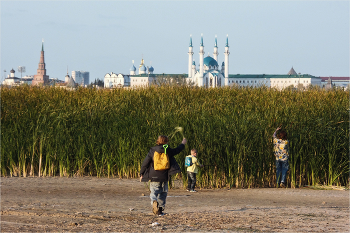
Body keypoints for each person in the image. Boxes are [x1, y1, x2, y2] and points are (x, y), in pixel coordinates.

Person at [139, 135, 187, 216]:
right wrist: (183, 143)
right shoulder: (167, 150)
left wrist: (141, 173)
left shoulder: (152, 150)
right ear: (166, 141)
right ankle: (160, 210)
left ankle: (154, 201)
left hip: (154, 175)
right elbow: (177, 150)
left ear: (158, 141)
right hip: (165, 175)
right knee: (163, 192)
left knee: (154, 191)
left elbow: (145, 162)